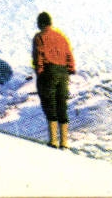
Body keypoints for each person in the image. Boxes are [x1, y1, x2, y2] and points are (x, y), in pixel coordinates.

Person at [32, 11, 76, 148]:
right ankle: (64, 142)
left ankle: (53, 141)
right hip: (63, 72)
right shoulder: (61, 36)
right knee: (61, 104)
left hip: (49, 71)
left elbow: (39, 54)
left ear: (40, 23)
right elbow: (69, 53)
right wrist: (70, 68)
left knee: (49, 103)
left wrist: (39, 71)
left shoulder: (40, 37)